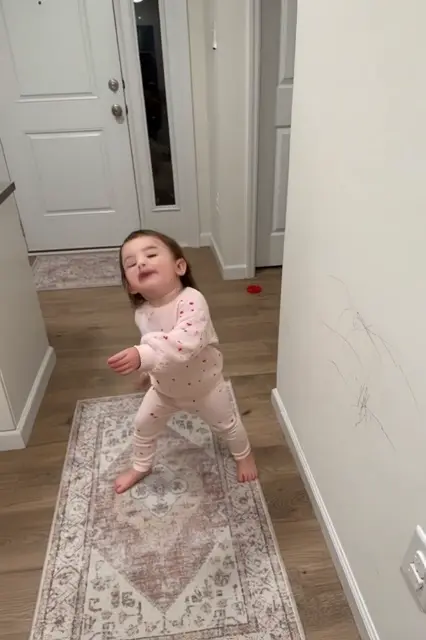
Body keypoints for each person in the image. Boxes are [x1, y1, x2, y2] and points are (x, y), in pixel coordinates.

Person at [108, 230, 258, 494]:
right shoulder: (142, 313)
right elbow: (153, 343)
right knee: (142, 425)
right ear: (131, 286)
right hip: (164, 391)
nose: (141, 262)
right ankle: (141, 466)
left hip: (206, 389)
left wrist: (142, 356)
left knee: (228, 425)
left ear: (179, 266)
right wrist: (147, 371)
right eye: (130, 264)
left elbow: (184, 342)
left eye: (151, 254)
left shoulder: (191, 300)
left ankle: (244, 455)